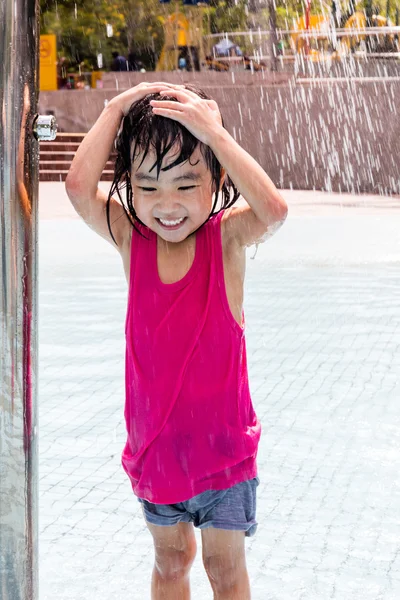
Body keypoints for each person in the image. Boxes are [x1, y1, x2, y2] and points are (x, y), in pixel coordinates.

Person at [65, 81, 288, 600]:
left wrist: (216, 133)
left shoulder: (226, 239)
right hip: (156, 453)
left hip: (224, 451)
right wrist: (117, 107)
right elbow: (77, 188)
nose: (168, 205)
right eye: (149, 187)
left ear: (215, 181)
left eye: (187, 186)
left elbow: (274, 210)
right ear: (130, 187)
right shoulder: (131, 238)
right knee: (171, 562)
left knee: (223, 569)